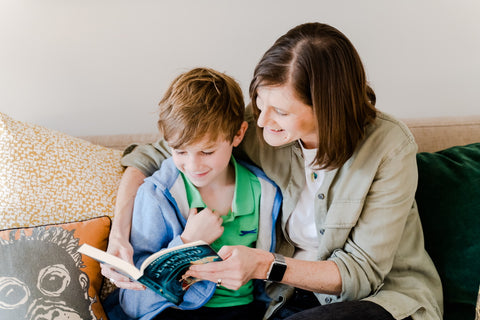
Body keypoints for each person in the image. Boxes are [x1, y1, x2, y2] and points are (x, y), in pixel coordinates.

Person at [103, 23, 443, 320]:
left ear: (326, 108)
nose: (263, 121)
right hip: (286, 300)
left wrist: (265, 265)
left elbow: (361, 272)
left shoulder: (390, 148)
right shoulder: (257, 127)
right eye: (260, 103)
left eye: (279, 111)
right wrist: (119, 236)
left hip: (380, 300)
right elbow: (150, 155)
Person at [103, 67, 282, 320]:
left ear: (238, 134)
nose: (193, 166)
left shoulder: (264, 192)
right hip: (174, 310)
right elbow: (138, 289)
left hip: (244, 310)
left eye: (207, 152)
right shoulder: (156, 195)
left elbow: (269, 275)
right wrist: (186, 243)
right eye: (180, 151)